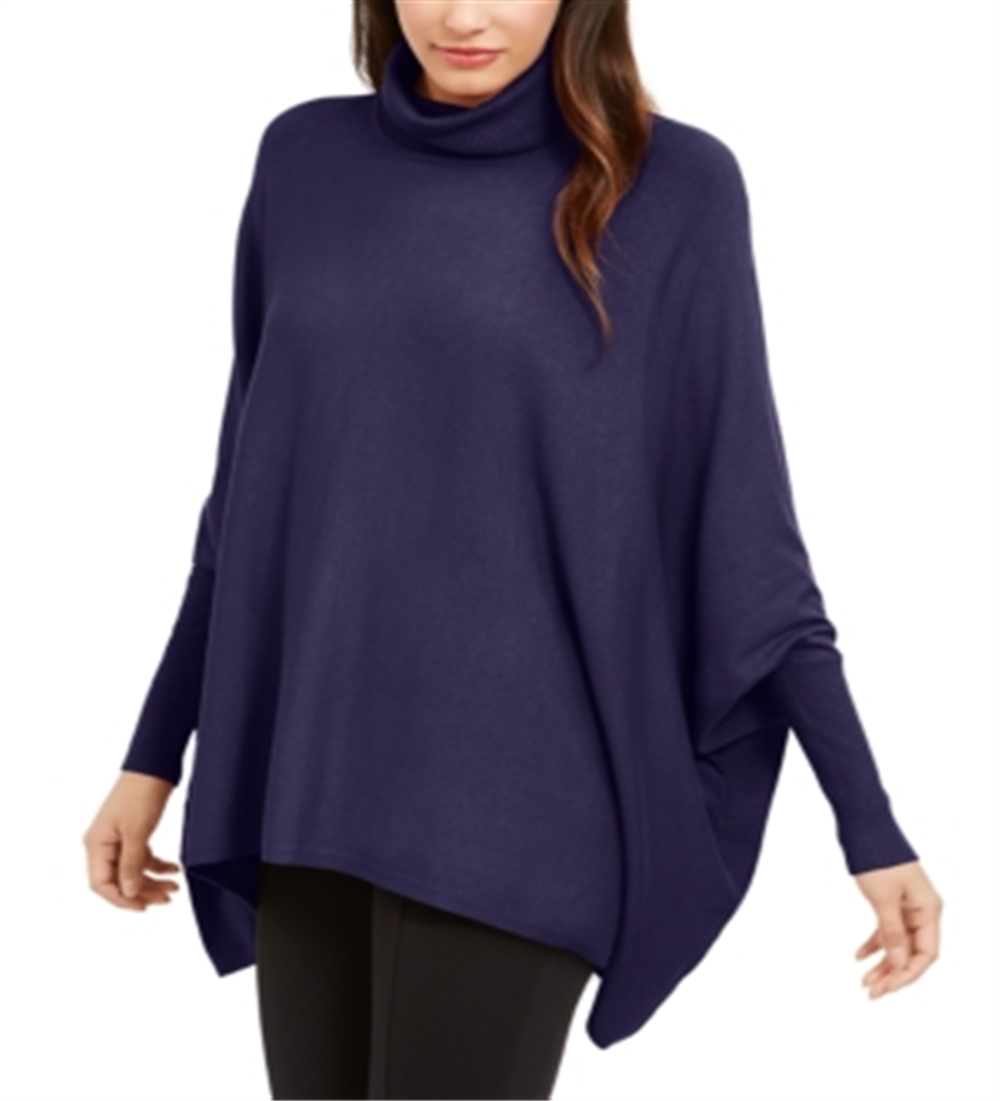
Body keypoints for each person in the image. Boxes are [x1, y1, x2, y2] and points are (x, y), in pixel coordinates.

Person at [82, 0, 944, 1096]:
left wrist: (869, 825)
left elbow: (744, 539)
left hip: (523, 801)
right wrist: (152, 757)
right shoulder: (303, 158)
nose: (462, 15)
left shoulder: (673, 186)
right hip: (315, 771)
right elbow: (248, 504)